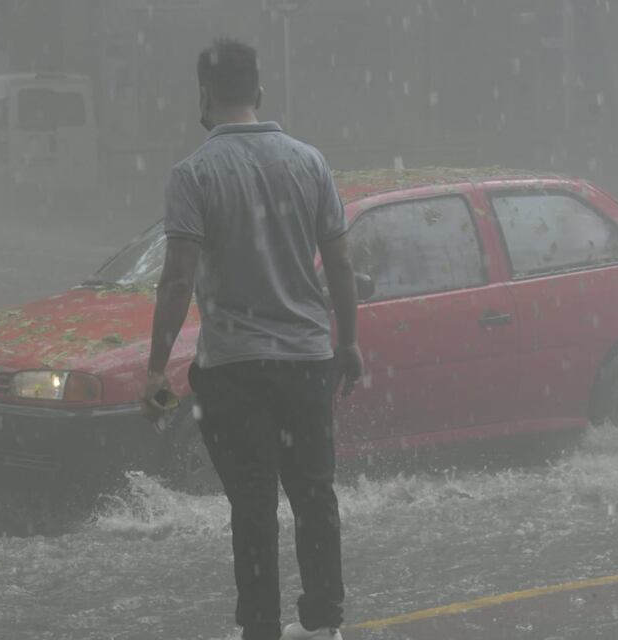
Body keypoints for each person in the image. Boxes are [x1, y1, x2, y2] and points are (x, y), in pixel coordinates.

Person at [141, 38, 363, 640]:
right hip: (309, 362)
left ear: (205, 95)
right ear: (259, 91)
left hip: (234, 369)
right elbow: (340, 265)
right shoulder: (309, 162)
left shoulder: (193, 175)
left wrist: (157, 368)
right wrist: (349, 343)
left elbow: (178, 277)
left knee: (254, 504)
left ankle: (260, 628)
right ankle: (323, 627)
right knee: (315, 495)